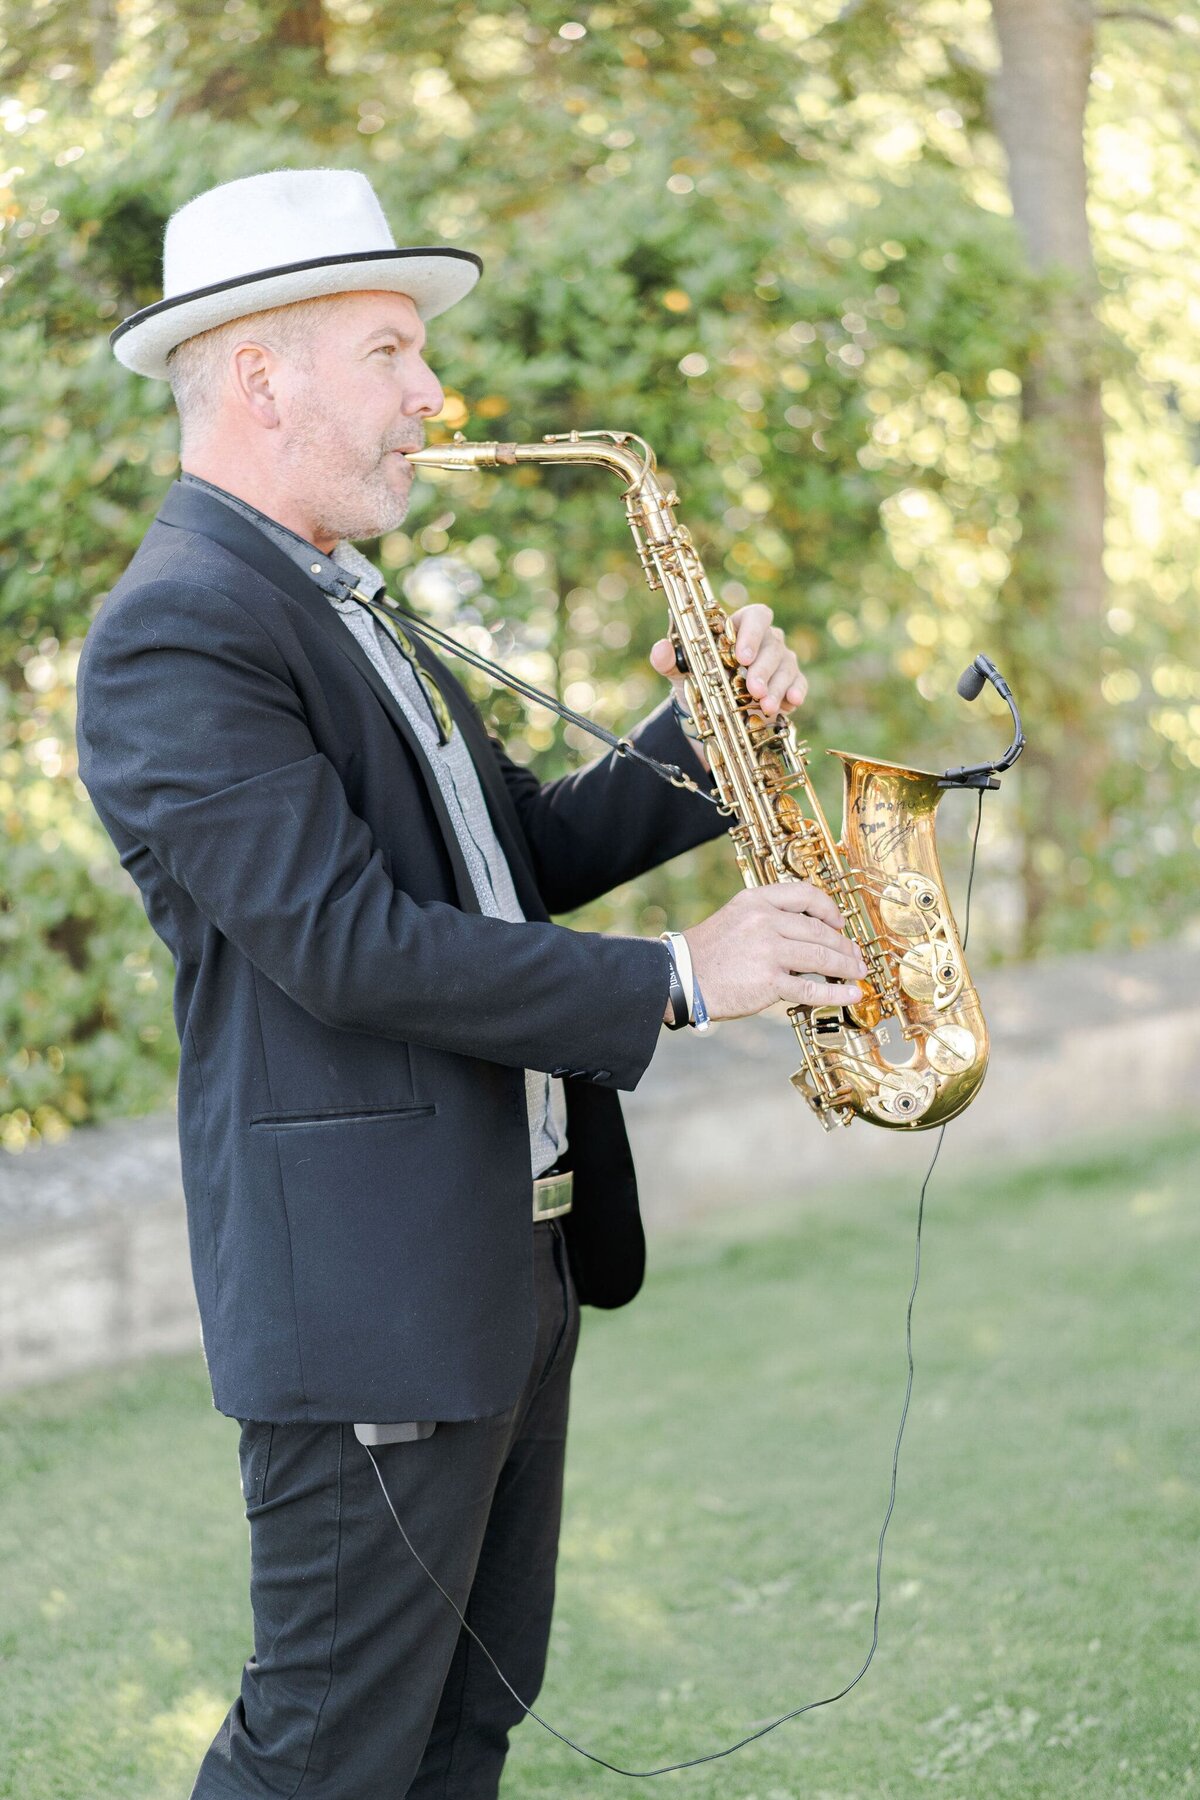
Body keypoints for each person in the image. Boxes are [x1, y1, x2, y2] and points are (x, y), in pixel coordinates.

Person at [74, 168, 867, 1799]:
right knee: (324, 1753)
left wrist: (714, 732)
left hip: (506, 1267)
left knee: (462, 1731)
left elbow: (515, 854)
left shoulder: (343, 597)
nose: (437, 392)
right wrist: (681, 977)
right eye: (391, 350)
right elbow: (346, 944)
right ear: (259, 373)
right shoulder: (178, 631)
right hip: (369, 1304)